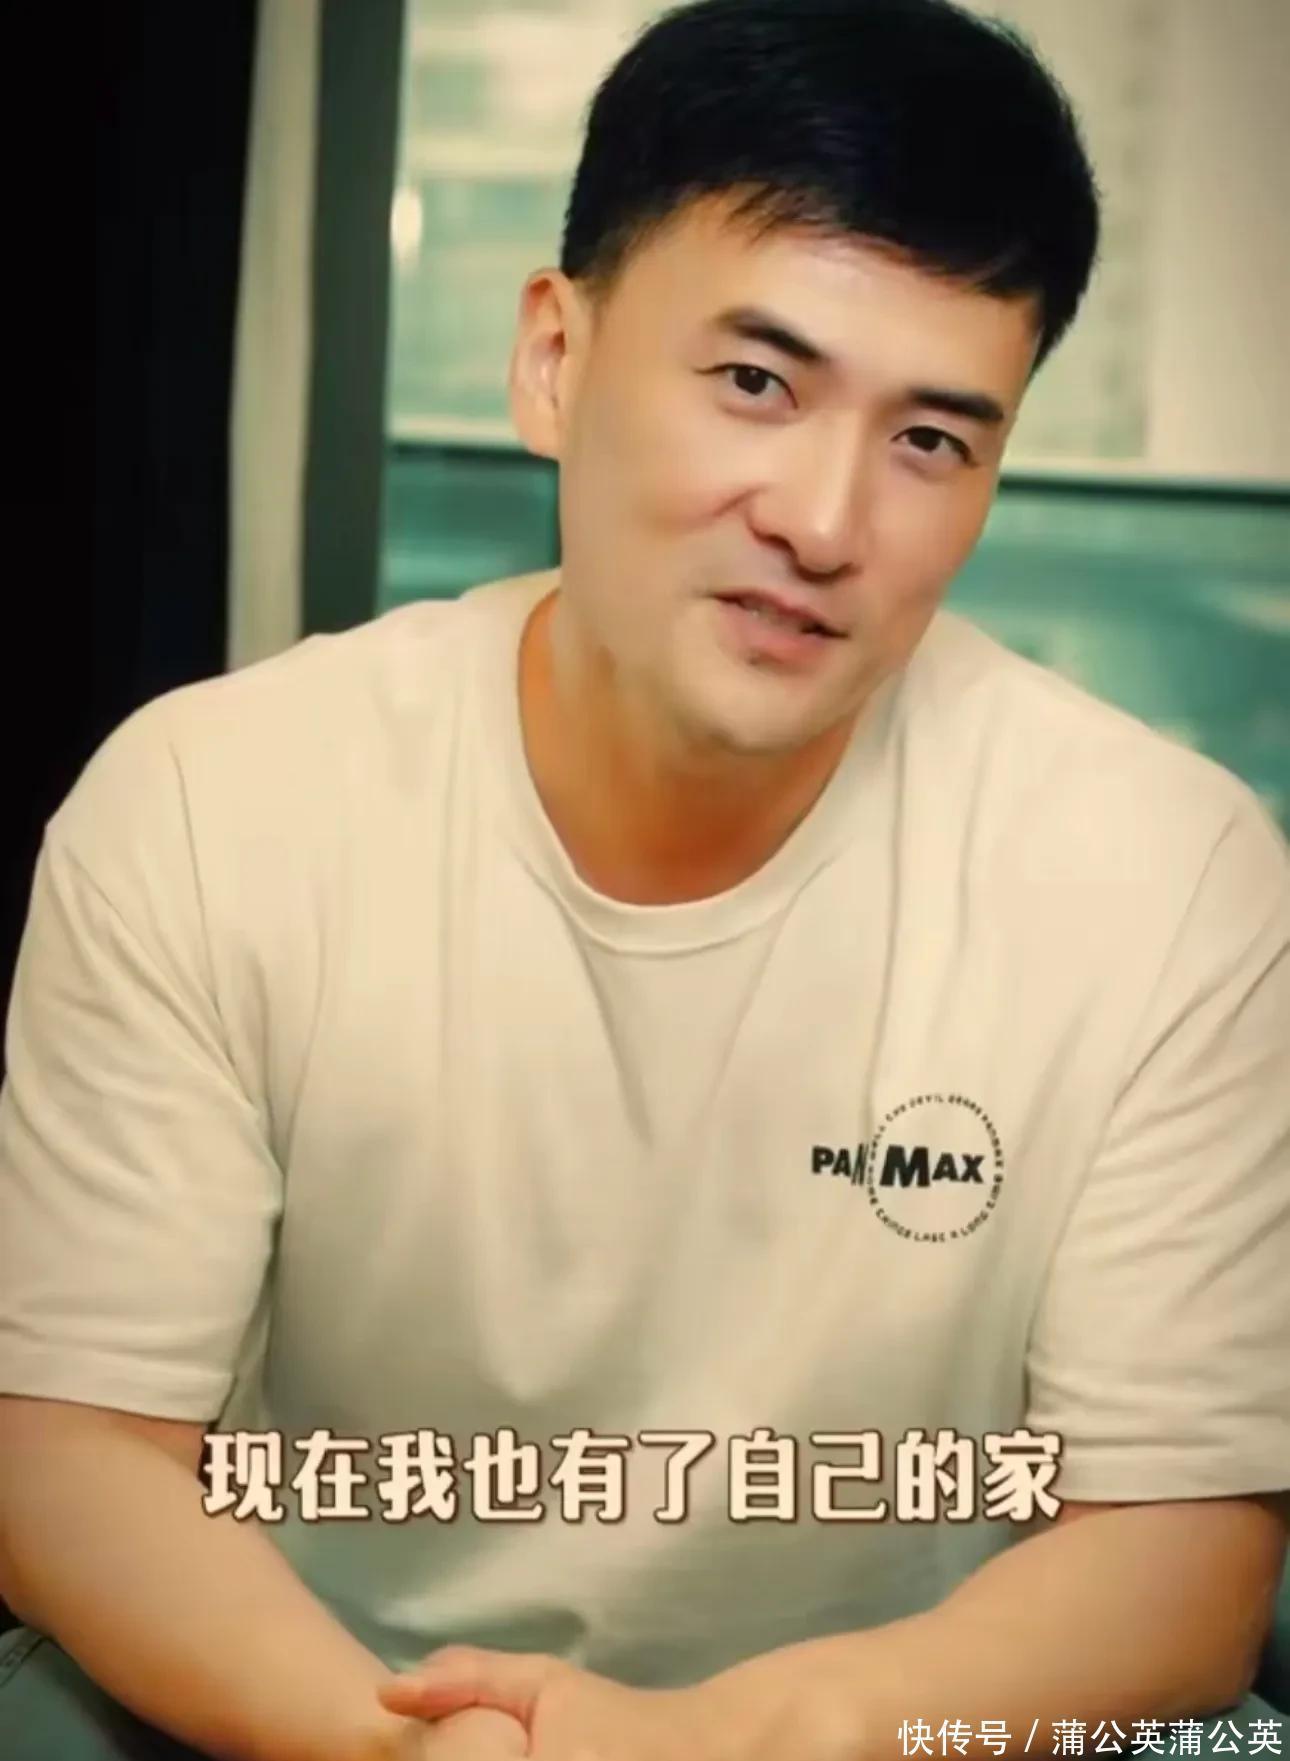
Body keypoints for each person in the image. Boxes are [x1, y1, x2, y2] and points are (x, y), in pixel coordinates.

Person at [2, 0, 1287, 1756]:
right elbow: (72, 1454)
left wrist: (733, 1737)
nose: (825, 521)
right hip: (323, 1693)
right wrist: (404, 1743)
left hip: (897, 1726)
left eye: (931, 439)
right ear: (554, 358)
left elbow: (1180, 1563)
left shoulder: (1167, 875)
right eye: (756, 382)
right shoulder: (209, 803)